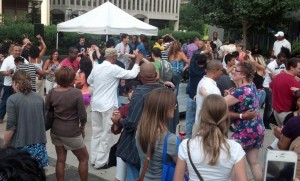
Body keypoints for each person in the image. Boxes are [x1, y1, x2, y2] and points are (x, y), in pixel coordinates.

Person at [112, 63, 175, 181]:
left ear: (140, 76)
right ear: (156, 75)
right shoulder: (164, 92)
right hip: (162, 142)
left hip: (142, 143)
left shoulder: (139, 93)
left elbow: (131, 123)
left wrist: (118, 121)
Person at [87, 48, 141, 169]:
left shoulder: (97, 67)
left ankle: (93, 158)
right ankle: (100, 162)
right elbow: (132, 74)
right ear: (114, 57)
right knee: (106, 134)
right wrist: (137, 63)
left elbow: (89, 80)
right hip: (108, 105)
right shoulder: (114, 68)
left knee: (96, 132)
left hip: (96, 103)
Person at [174, 94, 247, 181]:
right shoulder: (235, 148)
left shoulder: (186, 145)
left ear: (202, 116)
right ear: (225, 117)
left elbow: (177, 179)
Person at [224, 61, 265, 181]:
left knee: (232, 161)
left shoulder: (240, 91)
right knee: (254, 162)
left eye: (236, 70)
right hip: (257, 128)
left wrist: (205, 94)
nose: (232, 71)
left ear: (243, 75)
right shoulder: (251, 85)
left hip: (245, 130)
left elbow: (217, 106)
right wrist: (231, 94)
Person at [47, 67, 88, 181]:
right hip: (71, 132)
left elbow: (47, 109)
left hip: (55, 130)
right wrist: (82, 127)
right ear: (70, 79)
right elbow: (83, 115)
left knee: (60, 159)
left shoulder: (52, 92)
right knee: (84, 158)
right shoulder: (76, 93)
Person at [2, 70, 48, 168]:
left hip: (20, 146)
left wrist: (4, 145)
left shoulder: (12, 99)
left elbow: (11, 126)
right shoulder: (39, 97)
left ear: (16, 83)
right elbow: (44, 121)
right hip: (39, 144)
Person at [135, 88, 178, 180]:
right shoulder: (171, 140)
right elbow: (184, 169)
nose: (175, 106)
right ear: (164, 107)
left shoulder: (140, 130)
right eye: (173, 104)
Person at [0, 44, 28, 124]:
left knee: (19, 102)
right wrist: (8, 72)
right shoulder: (7, 60)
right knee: (6, 101)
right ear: (12, 51)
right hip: (9, 84)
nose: (17, 52)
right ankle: (0, 116)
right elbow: (1, 72)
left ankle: (18, 117)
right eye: (16, 50)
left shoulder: (24, 60)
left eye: (19, 50)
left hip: (20, 85)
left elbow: (29, 67)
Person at [270, 57, 300, 126]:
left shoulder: (278, 76)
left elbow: (270, 88)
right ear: (292, 68)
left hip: (276, 112)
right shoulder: (293, 82)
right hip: (287, 113)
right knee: (288, 135)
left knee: (281, 133)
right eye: (299, 68)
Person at [262, 52, 288, 129]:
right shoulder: (271, 65)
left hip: (276, 87)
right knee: (269, 107)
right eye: (281, 61)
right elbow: (273, 78)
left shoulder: (282, 65)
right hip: (268, 86)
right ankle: (265, 123)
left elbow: (284, 75)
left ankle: (271, 120)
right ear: (277, 58)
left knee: (274, 105)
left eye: (284, 61)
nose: (282, 63)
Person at [195, 60, 222, 126]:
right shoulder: (211, 87)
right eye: (221, 70)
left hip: (201, 122)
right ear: (215, 70)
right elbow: (217, 107)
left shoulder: (202, 81)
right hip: (208, 126)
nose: (222, 72)